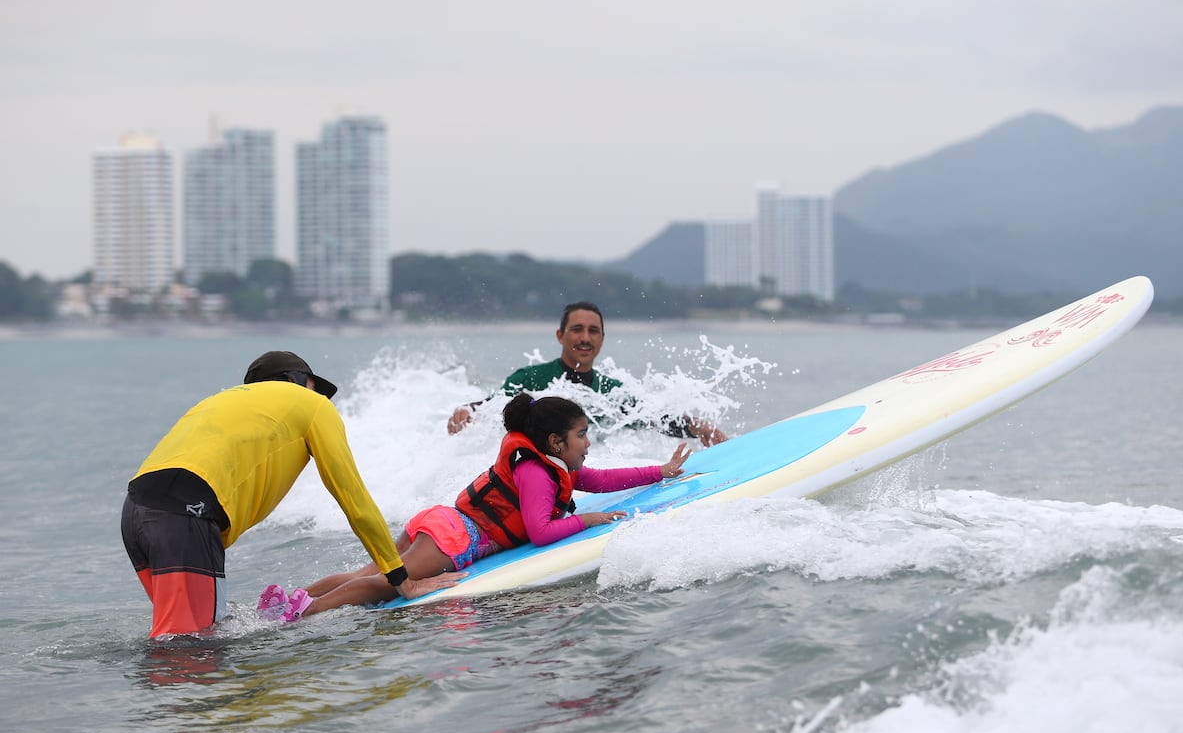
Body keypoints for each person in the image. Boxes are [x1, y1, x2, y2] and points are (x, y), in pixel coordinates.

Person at [264, 392, 692, 620]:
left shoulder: (550, 463)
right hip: (457, 538)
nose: (588, 443)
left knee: (370, 570)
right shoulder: (535, 473)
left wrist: (661, 471)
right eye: (582, 434)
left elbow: (601, 479)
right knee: (382, 584)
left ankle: (291, 598)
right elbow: (541, 531)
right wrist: (590, 520)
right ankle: (305, 613)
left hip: (444, 524)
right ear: (557, 443)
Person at [121, 350, 459, 638]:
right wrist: (402, 579)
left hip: (136, 511)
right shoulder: (310, 405)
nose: (320, 397)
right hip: (184, 514)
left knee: (192, 637)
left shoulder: (218, 403)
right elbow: (355, 502)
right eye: (314, 387)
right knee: (190, 651)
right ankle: (169, 714)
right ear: (297, 382)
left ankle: (172, 711)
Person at [446, 301, 728, 446]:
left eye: (593, 331)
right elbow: (493, 405)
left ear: (602, 338)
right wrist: (468, 410)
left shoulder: (611, 390)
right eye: (577, 330)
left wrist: (697, 427)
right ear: (560, 335)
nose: (585, 338)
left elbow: (649, 418)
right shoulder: (530, 378)